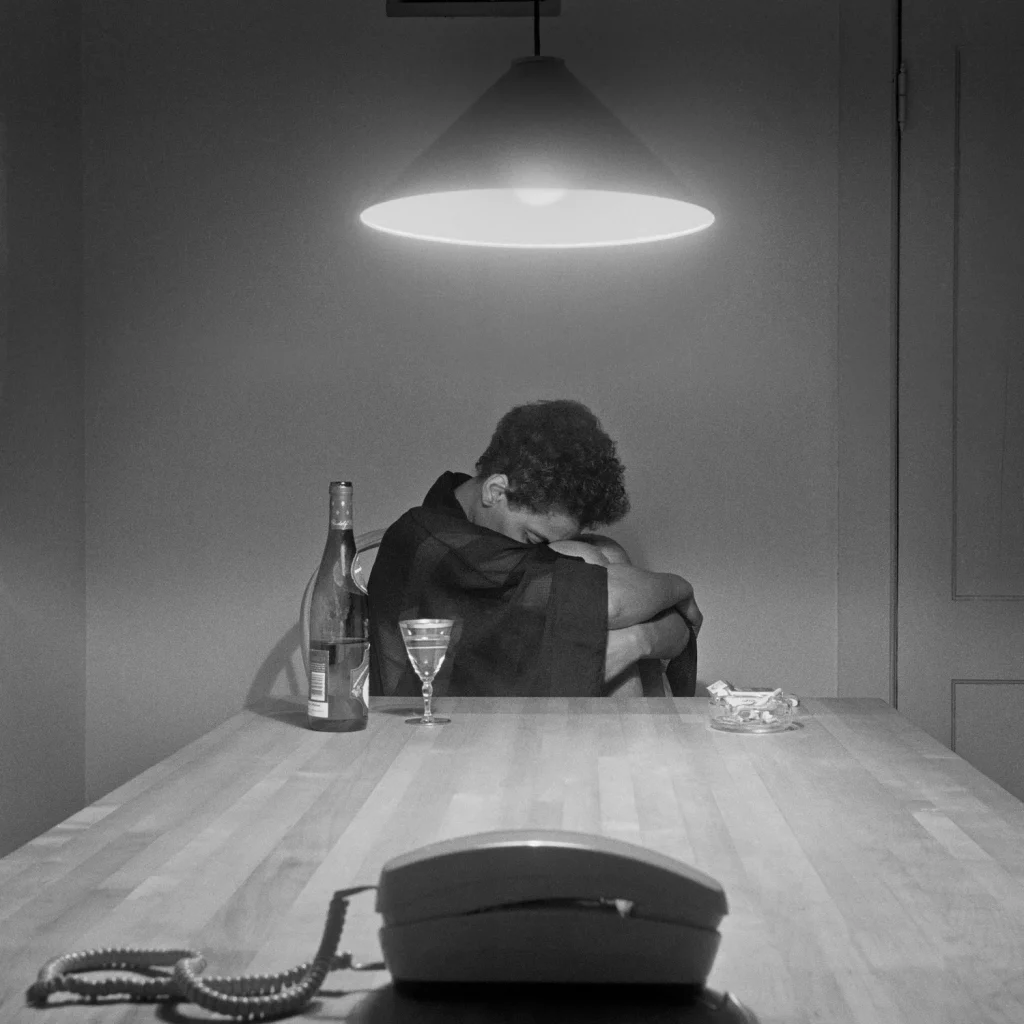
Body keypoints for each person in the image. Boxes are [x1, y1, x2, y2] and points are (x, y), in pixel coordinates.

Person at [367, 399, 702, 698]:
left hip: (523, 702)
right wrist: (668, 606)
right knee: (585, 562)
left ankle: (634, 751)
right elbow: (610, 605)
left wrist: (648, 636)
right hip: (445, 714)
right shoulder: (429, 537)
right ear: (496, 491)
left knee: (605, 552)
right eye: (533, 539)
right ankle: (632, 751)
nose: (541, 551)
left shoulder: (476, 529)